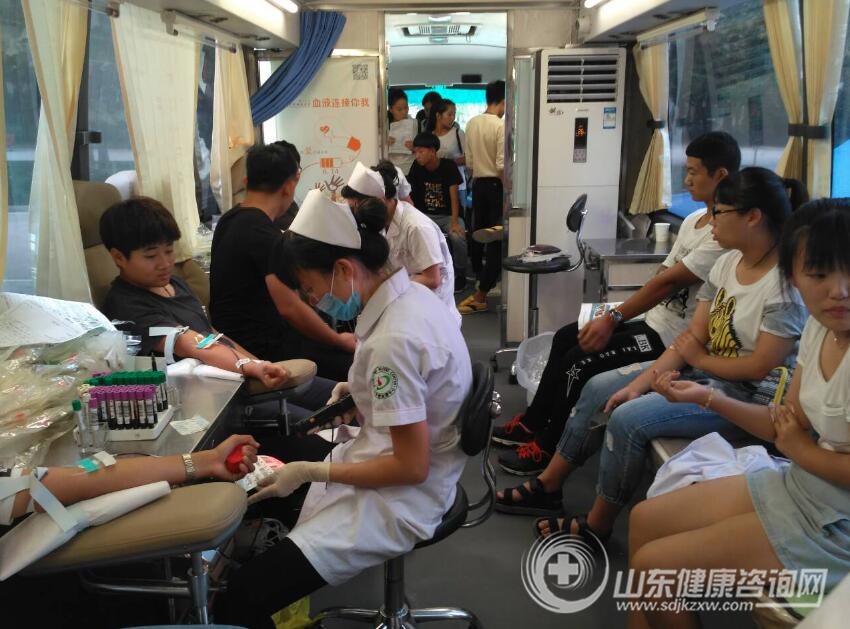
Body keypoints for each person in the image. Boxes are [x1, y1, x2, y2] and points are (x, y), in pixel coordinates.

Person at [218, 188, 471, 629]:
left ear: (342, 269)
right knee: (284, 451)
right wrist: (359, 394)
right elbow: (417, 390)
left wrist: (311, 472)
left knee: (242, 597)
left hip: (405, 496)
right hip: (404, 455)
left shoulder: (395, 340)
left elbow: (411, 468)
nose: (311, 300)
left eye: (309, 288)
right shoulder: (409, 298)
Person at [529, 167, 808, 541]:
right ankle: (550, 484)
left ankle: (598, 525)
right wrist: (641, 383)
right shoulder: (727, 263)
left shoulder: (783, 287)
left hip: (748, 398)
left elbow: (759, 367)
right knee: (602, 387)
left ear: (753, 217)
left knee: (627, 420)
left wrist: (699, 360)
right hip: (708, 375)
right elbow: (692, 338)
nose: (712, 222)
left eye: (720, 213)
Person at [628, 197, 850, 628]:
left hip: (836, 526)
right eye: (819, 274)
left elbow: (793, 440)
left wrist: (800, 449)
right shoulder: (820, 329)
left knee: (655, 569)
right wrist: (704, 397)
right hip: (804, 485)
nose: (839, 290)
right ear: (793, 277)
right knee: (644, 520)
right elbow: (782, 426)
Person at [493, 131, 740, 476]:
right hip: (653, 321)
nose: (687, 180)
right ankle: (532, 424)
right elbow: (664, 273)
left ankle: (547, 448)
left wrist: (613, 318)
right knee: (565, 337)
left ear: (721, 175)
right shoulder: (691, 222)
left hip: (668, 337)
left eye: (693, 172)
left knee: (578, 362)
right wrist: (614, 316)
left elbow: (668, 282)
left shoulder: (721, 237)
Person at [99, 197, 336, 420]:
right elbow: (192, 343)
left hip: (238, 376)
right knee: (316, 423)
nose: (165, 263)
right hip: (211, 400)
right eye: (151, 256)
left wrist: (260, 364)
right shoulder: (127, 306)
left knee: (341, 396)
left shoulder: (174, 284)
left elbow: (212, 335)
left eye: (169, 251)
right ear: (119, 257)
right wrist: (251, 367)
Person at [209, 143, 356, 382]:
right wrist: (338, 339)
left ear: (247, 180)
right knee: (355, 365)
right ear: (289, 187)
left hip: (233, 342)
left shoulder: (229, 219)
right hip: (262, 350)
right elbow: (290, 307)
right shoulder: (262, 234)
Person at [340, 161, 461, 325]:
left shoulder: (416, 226)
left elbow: (432, 279)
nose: (356, 213)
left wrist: (387, 288)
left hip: (432, 313)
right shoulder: (380, 222)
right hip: (406, 304)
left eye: (356, 207)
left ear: (379, 200)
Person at [458, 79, 506, 314]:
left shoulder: (472, 123)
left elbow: (469, 162)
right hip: (496, 187)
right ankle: (483, 292)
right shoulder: (500, 125)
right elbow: (501, 165)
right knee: (496, 240)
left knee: (479, 234)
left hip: (478, 185)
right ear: (503, 101)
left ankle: (480, 280)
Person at [407, 132, 468, 289]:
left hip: (448, 215)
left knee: (457, 237)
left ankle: (460, 273)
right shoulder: (416, 167)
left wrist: (454, 222)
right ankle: (424, 273)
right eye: (415, 152)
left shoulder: (448, 166)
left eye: (421, 151)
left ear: (433, 151)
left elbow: (454, 197)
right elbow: (410, 194)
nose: (417, 156)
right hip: (425, 216)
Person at [431, 98, 468, 215]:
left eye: (454, 114)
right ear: (438, 115)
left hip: (458, 185)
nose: (453, 118)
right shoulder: (430, 136)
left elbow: (469, 158)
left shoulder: (458, 133)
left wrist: (449, 162)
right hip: (437, 185)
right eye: (449, 114)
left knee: (459, 216)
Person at [386, 88, 417, 175]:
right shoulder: (384, 125)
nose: (404, 112)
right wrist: (384, 143)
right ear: (391, 109)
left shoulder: (414, 124)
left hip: (410, 168)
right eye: (399, 109)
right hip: (391, 169)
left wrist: (415, 147)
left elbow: (422, 148)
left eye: (406, 107)